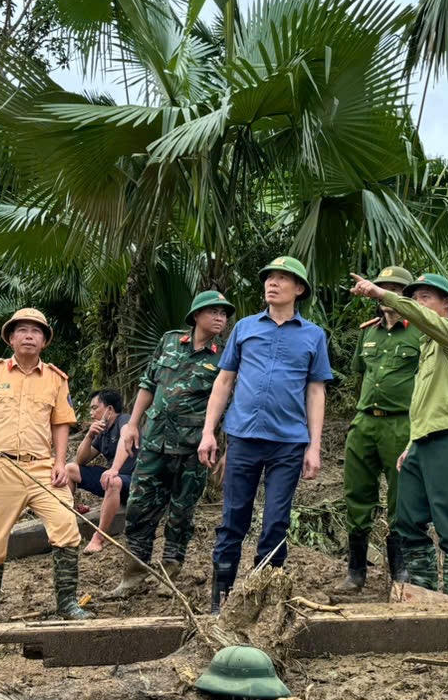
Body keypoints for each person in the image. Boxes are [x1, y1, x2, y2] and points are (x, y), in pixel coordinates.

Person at [199, 256, 333, 612]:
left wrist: (314, 446)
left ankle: (262, 602)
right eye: (269, 278)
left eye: (282, 279)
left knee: (276, 521)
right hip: (243, 438)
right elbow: (224, 380)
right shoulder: (244, 328)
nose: (272, 284)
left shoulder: (313, 335)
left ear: (299, 289)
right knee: (232, 521)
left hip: (289, 442)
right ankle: (221, 601)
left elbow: (316, 390)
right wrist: (208, 432)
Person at [0, 308, 90, 624]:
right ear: (11, 338)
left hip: (43, 469)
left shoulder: (56, 379)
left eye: (36, 331)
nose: (29, 335)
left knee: (66, 527)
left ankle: (67, 604)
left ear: (44, 341)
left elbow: (61, 425)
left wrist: (60, 462)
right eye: (22, 330)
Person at [348, 271, 448, 597]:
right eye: (414, 297)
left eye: (425, 297)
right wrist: (411, 442)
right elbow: (422, 403)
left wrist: (382, 294)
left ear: (446, 303)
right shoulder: (427, 345)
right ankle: (425, 592)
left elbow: (419, 317)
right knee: (407, 521)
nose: (417, 303)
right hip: (421, 441)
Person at [106, 290, 234, 598]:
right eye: (213, 311)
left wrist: (227, 448)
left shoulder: (225, 354)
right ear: (196, 315)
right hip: (154, 443)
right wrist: (133, 423)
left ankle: (170, 574)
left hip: (193, 450)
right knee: (139, 509)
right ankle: (133, 576)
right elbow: (149, 382)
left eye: (224, 313)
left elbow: (229, 403)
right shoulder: (170, 341)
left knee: (181, 514)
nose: (220, 317)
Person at [335, 266, 421, 594]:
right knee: (356, 495)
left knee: (402, 498)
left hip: (400, 424)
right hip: (364, 422)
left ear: (407, 296)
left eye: (395, 289)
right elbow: (361, 375)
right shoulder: (368, 332)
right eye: (382, 287)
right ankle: (356, 574)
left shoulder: (418, 333)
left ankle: (400, 574)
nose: (386, 294)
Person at [66, 390, 137, 554]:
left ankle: (99, 538)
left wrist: (114, 469)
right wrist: (89, 436)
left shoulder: (124, 420)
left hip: (135, 482)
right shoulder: (103, 432)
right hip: (115, 479)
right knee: (69, 469)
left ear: (109, 410)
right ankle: (70, 516)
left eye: (94, 408)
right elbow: (81, 461)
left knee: (113, 481)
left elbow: (126, 439)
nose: (91, 414)